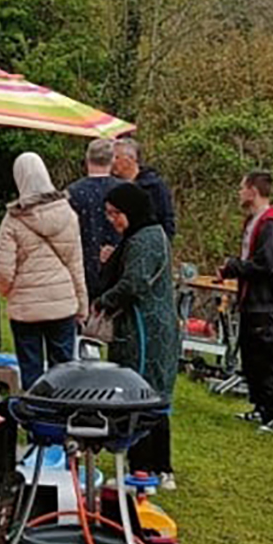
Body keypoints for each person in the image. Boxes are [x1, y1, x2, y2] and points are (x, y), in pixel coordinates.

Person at [94, 183, 178, 488]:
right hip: (156, 328)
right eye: (109, 214)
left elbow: (134, 283)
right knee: (155, 397)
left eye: (115, 213)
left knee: (138, 395)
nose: (112, 220)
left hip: (144, 331)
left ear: (131, 210)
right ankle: (160, 468)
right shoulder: (153, 234)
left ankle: (143, 469)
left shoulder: (143, 240)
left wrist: (104, 301)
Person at [0, 153, 88, 389]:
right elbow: (76, 264)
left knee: (31, 366)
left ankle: (35, 415)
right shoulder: (68, 214)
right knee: (63, 366)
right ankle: (62, 412)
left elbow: (3, 270)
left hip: (26, 307)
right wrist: (82, 303)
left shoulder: (13, 220)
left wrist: (6, 293)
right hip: (62, 303)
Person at [221, 171, 273, 434]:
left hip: (266, 302)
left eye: (242, 188)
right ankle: (260, 407)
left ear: (253, 191)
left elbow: (267, 265)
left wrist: (235, 267)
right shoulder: (253, 221)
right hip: (250, 299)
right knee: (250, 357)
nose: (239, 193)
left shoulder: (271, 224)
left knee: (268, 358)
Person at [67, 137, 125, 300]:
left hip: (82, 267)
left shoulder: (72, 193)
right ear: (113, 159)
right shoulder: (126, 190)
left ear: (87, 159)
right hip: (120, 266)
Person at [111, 137, 176, 240]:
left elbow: (166, 219)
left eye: (116, 157)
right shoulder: (115, 188)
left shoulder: (154, 185)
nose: (112, 162)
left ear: (130, 159)